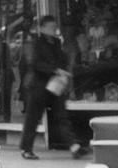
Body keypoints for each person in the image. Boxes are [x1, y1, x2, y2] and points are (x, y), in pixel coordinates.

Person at [19, 15, 87, 160]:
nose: (53, 30)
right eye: (50, 27)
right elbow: (35, 64)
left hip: (55, 85)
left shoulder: (56, 43)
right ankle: (26, 148)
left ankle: (74, 146)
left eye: (54, 27)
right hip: (39, 86)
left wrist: (64, 70)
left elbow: (62, 59)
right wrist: (55, 70)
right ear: (42, 28)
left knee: (61, 115)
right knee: (33, 118)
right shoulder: (36, 43)